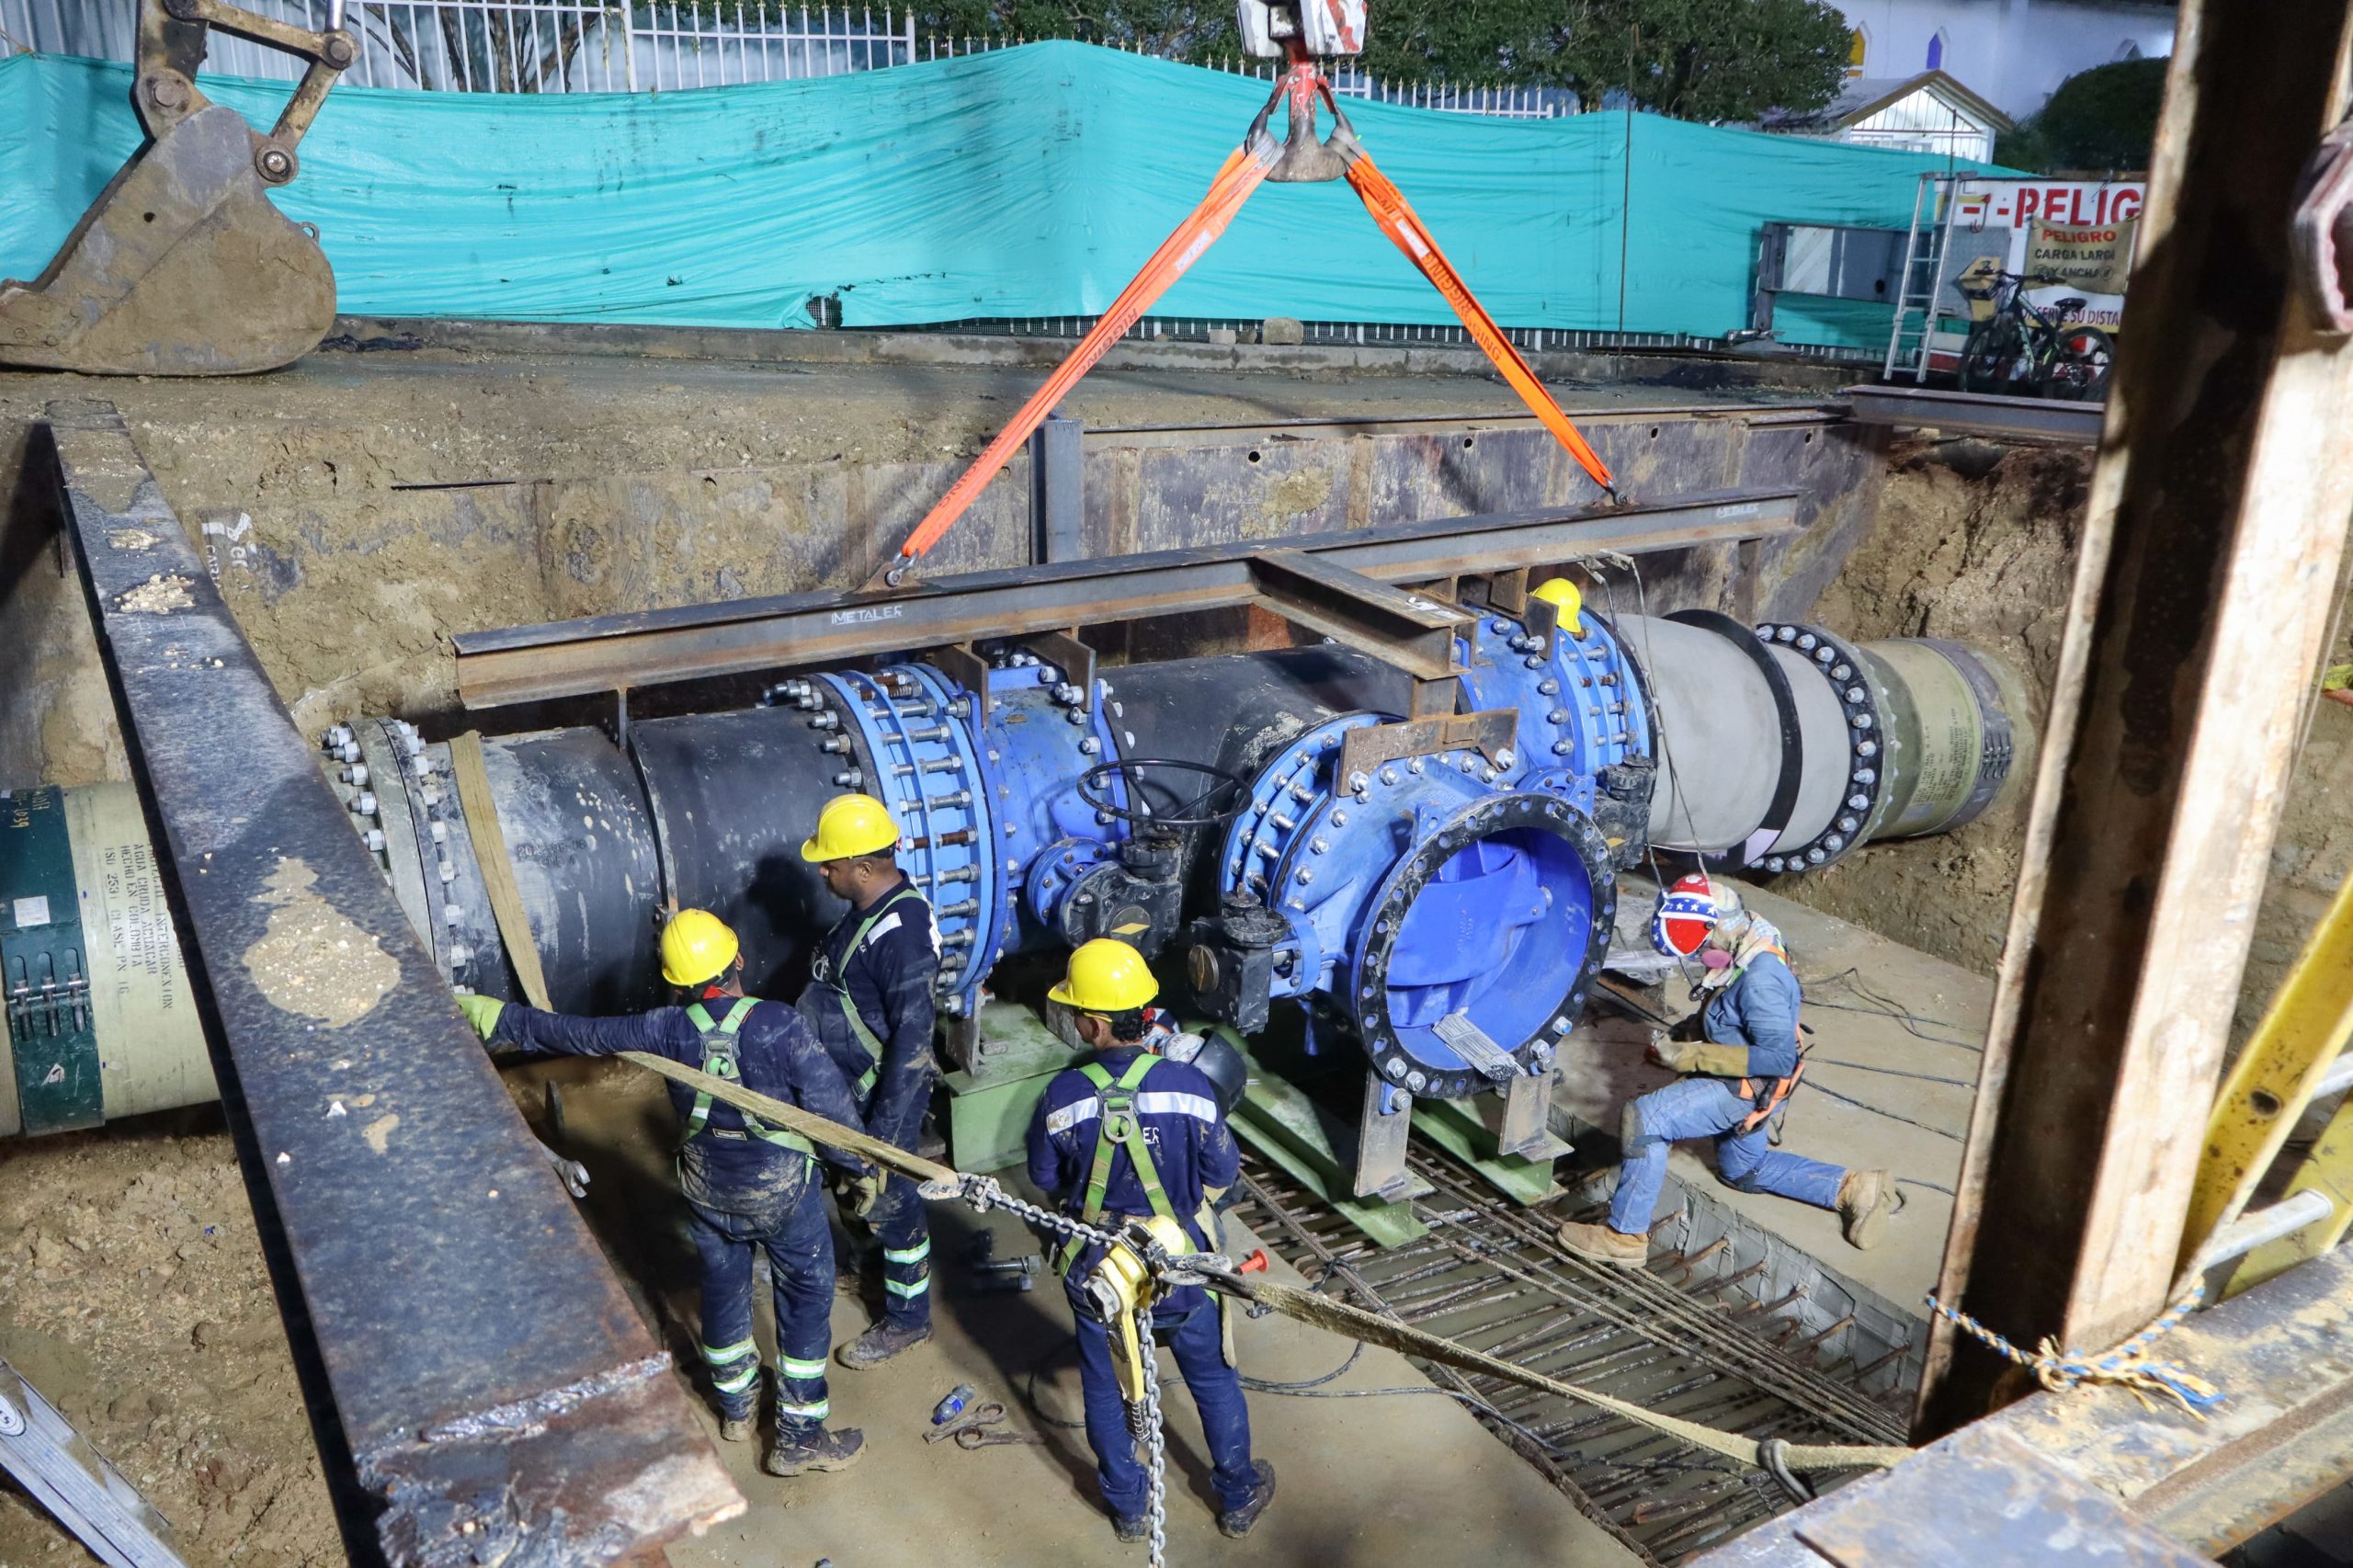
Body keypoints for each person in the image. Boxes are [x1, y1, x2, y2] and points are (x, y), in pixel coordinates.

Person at [455, 907, 875, 1477]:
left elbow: (574, 1031)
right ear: (739, 960)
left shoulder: (665, 1028)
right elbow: (832, 1114)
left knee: (724, 1296)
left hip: (709, 1194)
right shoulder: (779, 1025)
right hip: (781, 1197)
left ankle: (736, 1407)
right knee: (803, 1302)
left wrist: (495, 1014)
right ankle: (799, 1437)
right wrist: (857, 1169)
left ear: (675, 984)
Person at [1026, 938, 1276, 1543]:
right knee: (1212, 1378)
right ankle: (1238, 1494)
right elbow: (1222, 1172)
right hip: (1180, 1269)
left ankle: (1130, 1508)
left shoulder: (1061, 1098)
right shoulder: (1190, 1089)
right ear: (1144, 1014)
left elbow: (1044, 1179)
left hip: (1102, 1275)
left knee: (1106, 1386)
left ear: (1090, 1023)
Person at [1556, 874, 1897, 1267]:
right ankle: (1854, 1188)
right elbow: (1728, 1009)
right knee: (1742, 1171)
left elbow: (1777, 1058)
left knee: (1647, 1116)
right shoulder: (1746, 936)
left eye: (1700, 945)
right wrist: (1685, 1033)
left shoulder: (1762, 981)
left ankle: (1625, 1235)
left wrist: (1692, 1059)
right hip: (1754, 1082)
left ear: (1712, 926)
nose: (1699, 955)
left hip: (1743, 1085)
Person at [794, 792, 944, 1369]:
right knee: (853, 1187)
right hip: (846, 1089)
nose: (822, 871)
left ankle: (908, 1319)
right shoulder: (866, 913)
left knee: (893, 1201)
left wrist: (881, 1136)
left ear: (864, 867)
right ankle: (864, 1268)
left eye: (829, 863)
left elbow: (912, 1040)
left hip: (884, 1099)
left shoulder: (902, 935)